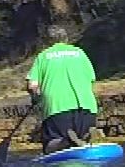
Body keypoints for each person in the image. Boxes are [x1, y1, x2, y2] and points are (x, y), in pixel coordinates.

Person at [28, 24, 98, 153]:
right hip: (87, 107)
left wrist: (35, 98)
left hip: (57, 108)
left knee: (50, 146)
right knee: (83, 141)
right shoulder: (80, 53)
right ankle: (85, 135)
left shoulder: (43, 57)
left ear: (48, 40)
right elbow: (91, 79)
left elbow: (32, 86)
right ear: (65, 38)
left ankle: (67, 141)